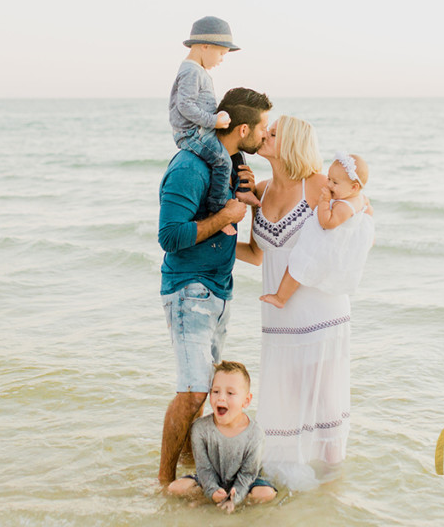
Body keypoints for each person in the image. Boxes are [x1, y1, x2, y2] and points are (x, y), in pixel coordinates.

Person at [158, 87, 273, 485]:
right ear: (243, 128)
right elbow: (170, 236)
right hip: (189, 288)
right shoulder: (190, 167)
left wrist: (252, 202)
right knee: (192, 393)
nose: (266, 135)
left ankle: (192, 476)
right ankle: (162, 483)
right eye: (263, 128)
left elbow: (245, 248)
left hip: (220, 293)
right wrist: (225, 213)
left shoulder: (232, 165)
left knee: (203, 393)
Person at [235, 115, 353, 490]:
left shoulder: (318, 185)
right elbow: (257, 254)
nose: (264, 136)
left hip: (319, 316)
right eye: (266, 132)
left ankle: (331, 490)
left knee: (322, 401)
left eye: (273, 134)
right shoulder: (264, 190)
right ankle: (295, 484)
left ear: (293, 145)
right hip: (278, 318)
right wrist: (206, 245)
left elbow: (360, 209)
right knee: (285, 398)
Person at [169, 16, 259, 237]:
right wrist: (214, 121)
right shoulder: (191, 71)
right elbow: (185, 106)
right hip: (192, 133)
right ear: (204, 46)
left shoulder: (198, 70)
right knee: (222, 160)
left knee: (235, 147)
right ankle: (217, 211)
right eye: (220, 53)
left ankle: (243, 190)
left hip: (203, 128)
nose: (221, 59)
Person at [260, 153, 374, 308]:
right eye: (329, 179)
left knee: (298, 264)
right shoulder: (357, 197)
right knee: (298, 265)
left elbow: (327, 222)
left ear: (354, 187)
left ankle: (281, 298)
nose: (329, 185)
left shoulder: (344, 206)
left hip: (325, 243)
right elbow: (368, 211)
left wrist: (324, 201)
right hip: (333, 242)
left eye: (335, 182)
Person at [165, 361, 277, 513]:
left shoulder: (255, 434)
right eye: (216, 391)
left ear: (246, 400)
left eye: (230, 393)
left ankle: (232, 502)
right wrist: (212, 491)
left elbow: (248, 474)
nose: (221, 398)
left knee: (266, 494)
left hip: (246, 482)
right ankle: (212, 498)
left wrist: (234, 498)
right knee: (175, 488)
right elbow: (204, 469)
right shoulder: (200, 428)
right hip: (211, 477)